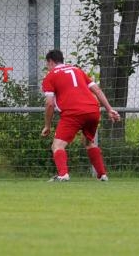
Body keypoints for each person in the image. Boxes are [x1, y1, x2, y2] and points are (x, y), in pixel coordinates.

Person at [41, 49, 120, 182]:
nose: (48, 67)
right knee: (89, 142)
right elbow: (97, 90)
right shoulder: (77, 70)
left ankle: (63, 175)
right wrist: (109, 109)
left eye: (47, 64)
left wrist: (47, 125)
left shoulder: (51, 76)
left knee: (57, 146)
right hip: (92, 110)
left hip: (73, 113)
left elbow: (49, 104)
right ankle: (102, 175)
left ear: (50, 62)